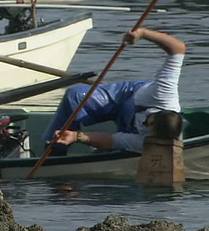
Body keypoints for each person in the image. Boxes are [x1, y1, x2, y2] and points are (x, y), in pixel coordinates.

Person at [42, 27, 186, 155]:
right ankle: (54, 152)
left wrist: (76, 136)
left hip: (129, 124)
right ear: (152, 122)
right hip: (128, 95)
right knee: (75, 96)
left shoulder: (148, 142)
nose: (148, 133)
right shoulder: (164, 93)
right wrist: (142, 33)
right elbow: (178, 49)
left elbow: (111, 140)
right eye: (149, 129)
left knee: (108, 148)